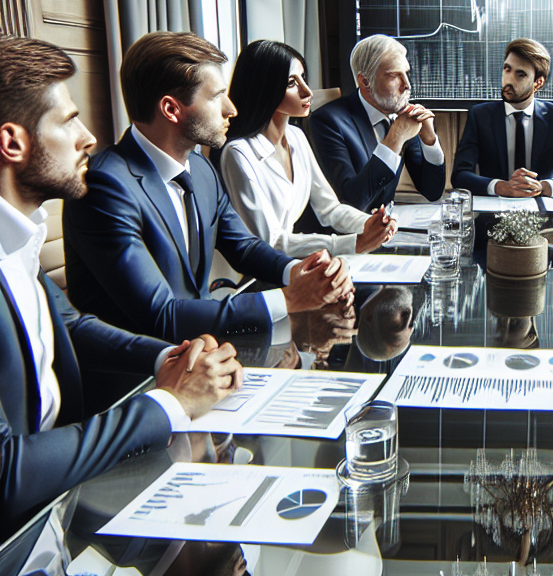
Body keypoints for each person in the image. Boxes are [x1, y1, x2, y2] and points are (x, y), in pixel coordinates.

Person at [0, 37, 241, 529]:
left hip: (61, 500)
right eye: (69, 121)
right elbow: (7, 471)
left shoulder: (20, 240)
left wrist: (167, 360)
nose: (89, 137)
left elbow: (72, 325)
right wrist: (168, 402)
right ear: (13, 143)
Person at [63, 32, 353, 345]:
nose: (232, 109)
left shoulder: (200, 168)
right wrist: (289, 299)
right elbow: (161, 315)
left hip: (205, 354)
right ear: (172, 110)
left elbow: (244, 246)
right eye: (216, 97)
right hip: (139, 377)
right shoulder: (103, 186)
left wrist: (299, 272)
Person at [220, 39, 396, 259]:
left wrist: (370, 223)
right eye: (292, 83)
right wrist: (353, 243)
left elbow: (329, 209)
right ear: (264, 88)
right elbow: (269, 241)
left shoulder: (296, 138)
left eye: (303, 78)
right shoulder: (238, 153)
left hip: (295, 264)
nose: (307, 91)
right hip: (258, 275)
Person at [308, 34, 445, 211]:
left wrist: (429, 140)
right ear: (365, 82)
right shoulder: (327, 122)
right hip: (348, 236)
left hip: (387, 230)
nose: (407, 85)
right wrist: (395, 138)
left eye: (407, 73)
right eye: (394, 75)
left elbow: (432, 192)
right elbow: (351, 203)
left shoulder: (400, 115)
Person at [451, 38, 553, 198]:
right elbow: (459, 176)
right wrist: (501, 187)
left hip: (543, 213)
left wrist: (543, 186)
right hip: (492, 213)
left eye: (520, 74)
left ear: (538, 83)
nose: (509, 80)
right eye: (507, 69)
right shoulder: (480, 115)